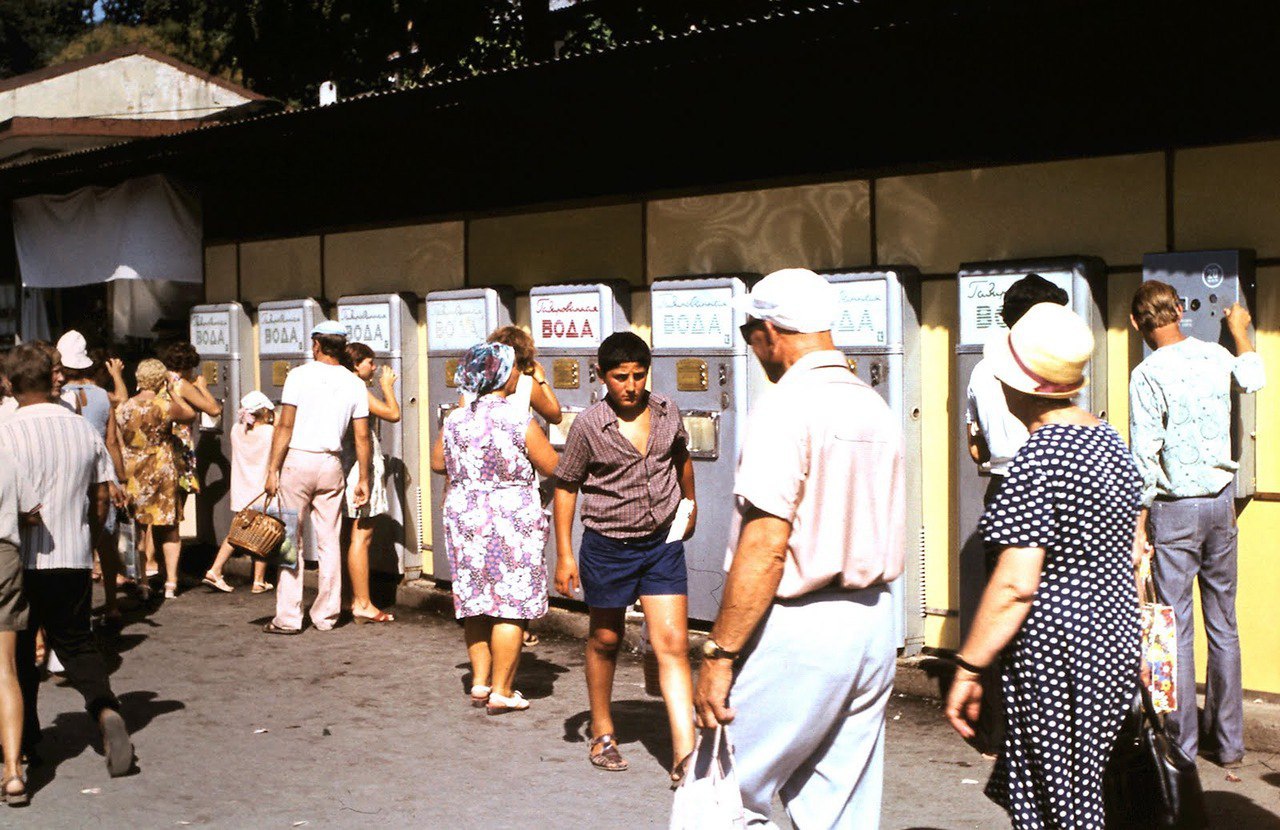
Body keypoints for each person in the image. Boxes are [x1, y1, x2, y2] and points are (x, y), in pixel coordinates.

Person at [691, 269, 904, 827]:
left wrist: (720, 653)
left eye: (747, 333)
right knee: (840, 808)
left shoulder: (786, 406)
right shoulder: (870, 404)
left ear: (768, 330)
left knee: (723, 793)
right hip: (873, 620)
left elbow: (765, 544)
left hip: (798, 626)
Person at [945, 302, 1142, 828]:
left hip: (1056, 654)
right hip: (1112, 640)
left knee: (1059, 801)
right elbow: (1128, 550)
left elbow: (1014, 585)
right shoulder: (1109, 440)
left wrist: (968, 665)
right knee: (1091, 788)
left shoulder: (1039, 456)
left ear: (1018, 385)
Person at [1129, 281, 1265, 768]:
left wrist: (1138, 529)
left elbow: (1143, 460)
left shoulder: (1145, 374)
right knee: (1224, 624)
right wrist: (1240, 329)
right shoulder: (1215, 355)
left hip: (1174, 509)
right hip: (1221, 503)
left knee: (1172, 627)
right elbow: (1253, 375)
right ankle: (1229, 744)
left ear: (1134, 324)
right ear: (1182, 311)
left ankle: (1181, 747)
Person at [552, 331, 697, 780]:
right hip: (608, 546)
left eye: (638, 375)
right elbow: (566, 485)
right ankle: (602, 729)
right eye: (620, 377)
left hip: (661, 546)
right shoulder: (589, 426)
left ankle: (686, 751)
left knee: (671, 644)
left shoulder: (667, 410)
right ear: (602, 376)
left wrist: (690, 506)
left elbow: (681, 457)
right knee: (606, 639)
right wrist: (563, 555)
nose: (631, 386)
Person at [0, 344, 134, 779]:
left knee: (20, 654)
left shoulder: (7, 430)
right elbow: (101, 496)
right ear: (51, 379)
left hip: (21, 557)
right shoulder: (82, 430)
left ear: (12, 384)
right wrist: (90, 538)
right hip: (72, 556)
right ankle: (105, 710)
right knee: (77, 642)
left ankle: (29, 740)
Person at [961, 274, 1069, 755]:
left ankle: (997, 731)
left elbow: (973, 444)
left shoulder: (982, 369)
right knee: (1045, 610)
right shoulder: (1045, 375)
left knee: (1001, 610)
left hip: (1000, 485)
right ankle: (1048, 730)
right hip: (1046, 485)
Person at [431, 342, 559, 713]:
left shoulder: (456, 418)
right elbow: (552, 465)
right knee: (510, 604)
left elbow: (439, 463)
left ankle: (480, 682)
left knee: (476, 603)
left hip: (465, 514)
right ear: (503, 374)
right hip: (510, 516)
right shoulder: (518, 417)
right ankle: (503, 690)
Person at [263, 321, 371, 635]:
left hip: (298, 459)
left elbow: (284, 426)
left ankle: (288, 617)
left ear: (316, 344)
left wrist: (272, 469)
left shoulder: (298, 375)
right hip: (332, 463)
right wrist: (363, 477)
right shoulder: (354, 383)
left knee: (289, 541)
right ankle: (326, 615)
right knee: (329, 540)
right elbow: (361, 436)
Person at [476, 325, 563, 647]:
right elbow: (554, 414)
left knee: (486, 554)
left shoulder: (475, 388)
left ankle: (489, 617)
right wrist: (541, 377)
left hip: (482, 483)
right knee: (523, 557)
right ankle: (516, 624)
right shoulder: (527, 384)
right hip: (520, 484)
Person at [57, 331, 130, 623]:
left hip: (71, 475)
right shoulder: (101, 395)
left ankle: (80, 606)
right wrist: (121, 478)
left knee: (74, 543)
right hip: (101, 475)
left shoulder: (59, 396)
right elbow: (111, 442)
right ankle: (112, 603)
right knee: (106, 542)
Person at [115, 359, 196, 599]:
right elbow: (190, 415)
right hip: (161, 465)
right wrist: (173, 393)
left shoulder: (125, 407)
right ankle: (171, 582)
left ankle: (143, 582)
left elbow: (118, 437)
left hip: (134, 467)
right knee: (169, 527)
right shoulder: (164, 405)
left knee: (138, 527)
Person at [342, 341, 400, 624]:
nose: (374, 368)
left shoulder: (338, 388)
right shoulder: (357, 389)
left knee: (349, 536)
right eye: (369, 362)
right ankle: (362, 602)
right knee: (361, 536)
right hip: (360, 469)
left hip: (346, 466)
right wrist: (388, 386)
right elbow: (393, 414)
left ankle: (351, 597)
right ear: (356, 364)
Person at [202, 391, 276, 594]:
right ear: (265, 412)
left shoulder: (236, 430)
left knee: (241, 532)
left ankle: (257, 581)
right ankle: (218, 570)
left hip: (242, 489)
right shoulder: (270, 432)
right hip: (261, 490)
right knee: (262, 533)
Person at [0, 445, 36, 805]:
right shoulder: (7, 456)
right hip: (3, 556)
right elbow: (33, 513)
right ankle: (12, 771)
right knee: (4, 669)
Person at [159, 341, 223, 518]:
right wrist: (202, 387)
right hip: (179, 447)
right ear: (187, 366)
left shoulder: (159, 378)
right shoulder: (180, 384)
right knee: (176, 509)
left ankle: (150, 546)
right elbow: (214, 410)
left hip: (160, 445)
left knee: (159, 511)